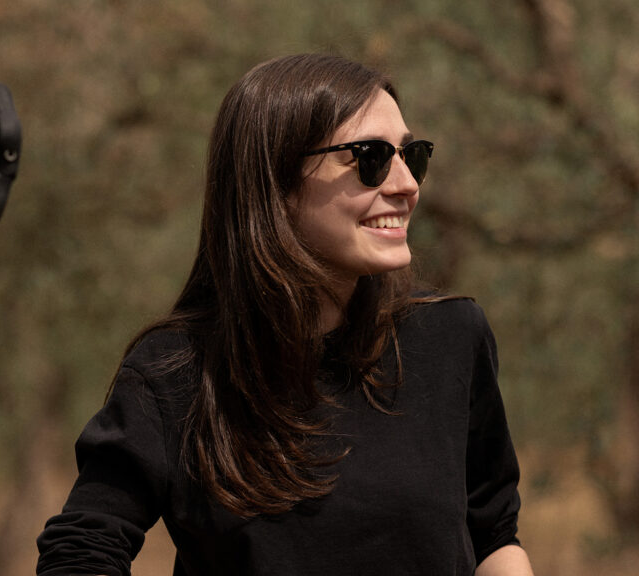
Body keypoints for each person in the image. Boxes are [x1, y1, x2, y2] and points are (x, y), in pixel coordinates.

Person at [35, 53, 533, 576]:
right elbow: (81, 552)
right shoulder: (175, 373)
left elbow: (494, 534)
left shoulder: (451, 336)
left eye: (413, 156)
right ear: (274, 182)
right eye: (370, 157)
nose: (407, 184)